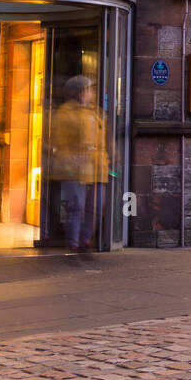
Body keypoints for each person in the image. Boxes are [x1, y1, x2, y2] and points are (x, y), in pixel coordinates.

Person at [50, 75, 110, 252]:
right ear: (80, 92)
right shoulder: (66, 113)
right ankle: (74, 243)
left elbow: (104, 140)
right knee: (76, 207)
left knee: (97, 207)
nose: (92, 92)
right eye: (89, 89)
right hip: (75, 168)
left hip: (97, 167)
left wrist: (109, 158)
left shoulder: (96, 112)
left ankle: (85, 239)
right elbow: (64, 140)